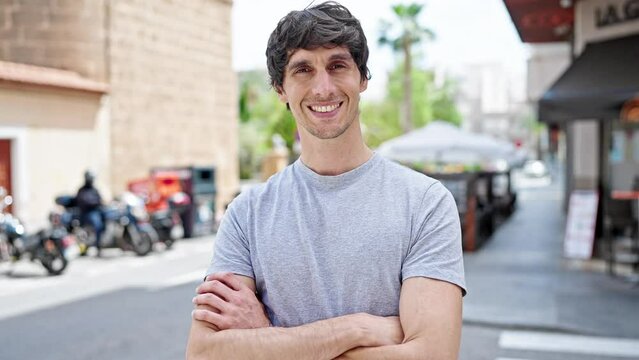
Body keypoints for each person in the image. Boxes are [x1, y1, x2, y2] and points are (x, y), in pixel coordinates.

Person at [186, 2, 466, 359]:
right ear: (280, 89)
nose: (323, 88)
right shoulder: (247, 214)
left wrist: (265, 339)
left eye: (337, 66)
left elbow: (434, 355)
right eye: (303, 69)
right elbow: (205, 353)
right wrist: (357, 329)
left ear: (363, 79)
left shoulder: (425, 203)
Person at [76, 170, 104, 256]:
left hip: (96, 211)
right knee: (96, 225)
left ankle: (100, 244)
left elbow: (100, 199)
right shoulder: (82, 190)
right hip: (87, 213)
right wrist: (95, 202)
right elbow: (83, 201)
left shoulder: (94, 189)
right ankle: (95, 246)